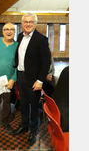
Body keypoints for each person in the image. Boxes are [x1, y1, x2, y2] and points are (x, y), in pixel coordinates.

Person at [13, 12, 51, 145]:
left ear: (35, 23)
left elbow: (46, 62)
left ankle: (33, 130)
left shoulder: (41, 39)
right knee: (23, 104)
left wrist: (40, 81)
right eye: (25, 22)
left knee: (34, 106)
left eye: (30, 22)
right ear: (22, 23)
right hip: (21, 76)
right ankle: (24, 125)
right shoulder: (19, 36)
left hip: (34, 80)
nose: (28, 24)